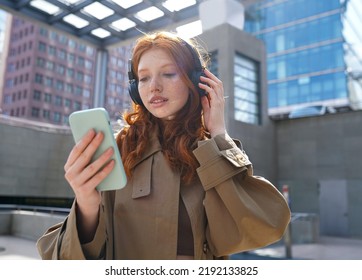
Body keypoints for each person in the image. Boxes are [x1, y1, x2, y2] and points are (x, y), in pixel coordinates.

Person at [37, 31, 290, 260]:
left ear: (197, 80)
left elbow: (262, 228)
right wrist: (85, 203)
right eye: (143, 78)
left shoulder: (211, 150)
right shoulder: (120, 147)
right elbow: (70, 258)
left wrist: (219, 135)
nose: (154, 87)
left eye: (168, 74)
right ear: (135, 88)